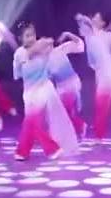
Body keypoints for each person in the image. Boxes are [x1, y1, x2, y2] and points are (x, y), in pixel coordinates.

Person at [12, 24, 81, 160]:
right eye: (27, 36)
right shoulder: (20, 53)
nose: (31, 38)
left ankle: (52, 149)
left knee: (33, 121)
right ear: (20, 38)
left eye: (32, 34)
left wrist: (48, 43)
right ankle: (22, 152)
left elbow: (50, 44)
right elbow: (19, 72)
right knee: (30, 122)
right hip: (29, 93)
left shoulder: (44, 47)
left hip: (44, 90)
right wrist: (42, 45)